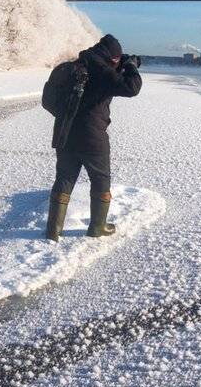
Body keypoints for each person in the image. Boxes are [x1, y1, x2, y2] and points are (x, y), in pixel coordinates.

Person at [46, 34, 142, 240]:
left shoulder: (69, 67)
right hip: (93, 137)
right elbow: (132, 87)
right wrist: (132, 66)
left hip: (64, 133)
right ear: (114, 59)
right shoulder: (103, 72)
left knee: (64, 178)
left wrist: (68, 115)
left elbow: (48, 101)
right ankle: (98, 227)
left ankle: (53, 230)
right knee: (100, 179)